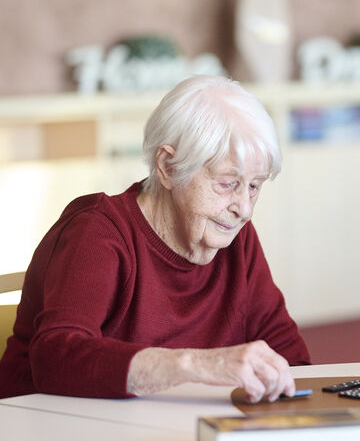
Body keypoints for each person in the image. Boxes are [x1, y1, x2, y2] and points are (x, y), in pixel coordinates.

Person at [0, 75, 310, 401]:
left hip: (162, 435)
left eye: (254, 186)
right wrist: (196, 365)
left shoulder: (235, 240)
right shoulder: (97, 231)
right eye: (227, 183)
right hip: (44, 431)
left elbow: (292, 360)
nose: (244, 210)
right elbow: (56, 359)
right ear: (168, 166)